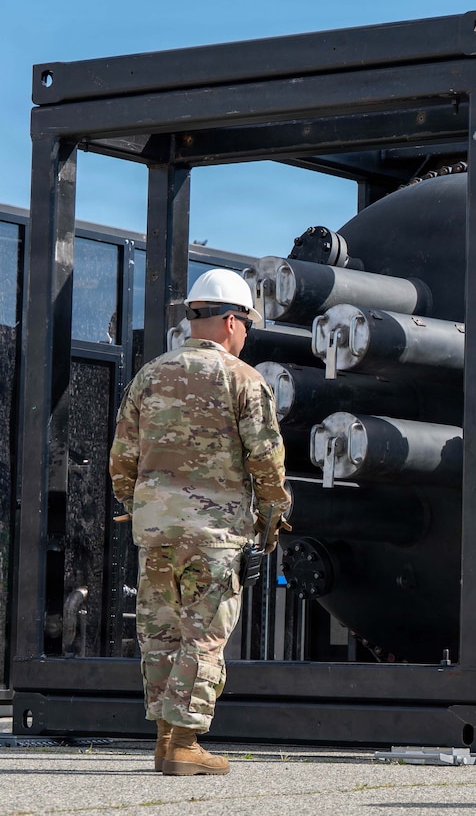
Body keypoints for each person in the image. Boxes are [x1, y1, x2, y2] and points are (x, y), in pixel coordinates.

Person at [109, 268, 291, 776]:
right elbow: (267, 464)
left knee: (161, 633)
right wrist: (269, 525)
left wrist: (142, 507)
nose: (247, 335)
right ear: (232, 320)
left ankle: (166, 741)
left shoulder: (149, 376)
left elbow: (122, 460)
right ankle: (185, 743)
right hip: (215, 535)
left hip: (156, 532)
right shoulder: (245, 380)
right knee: (203, 635)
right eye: (248, 325)